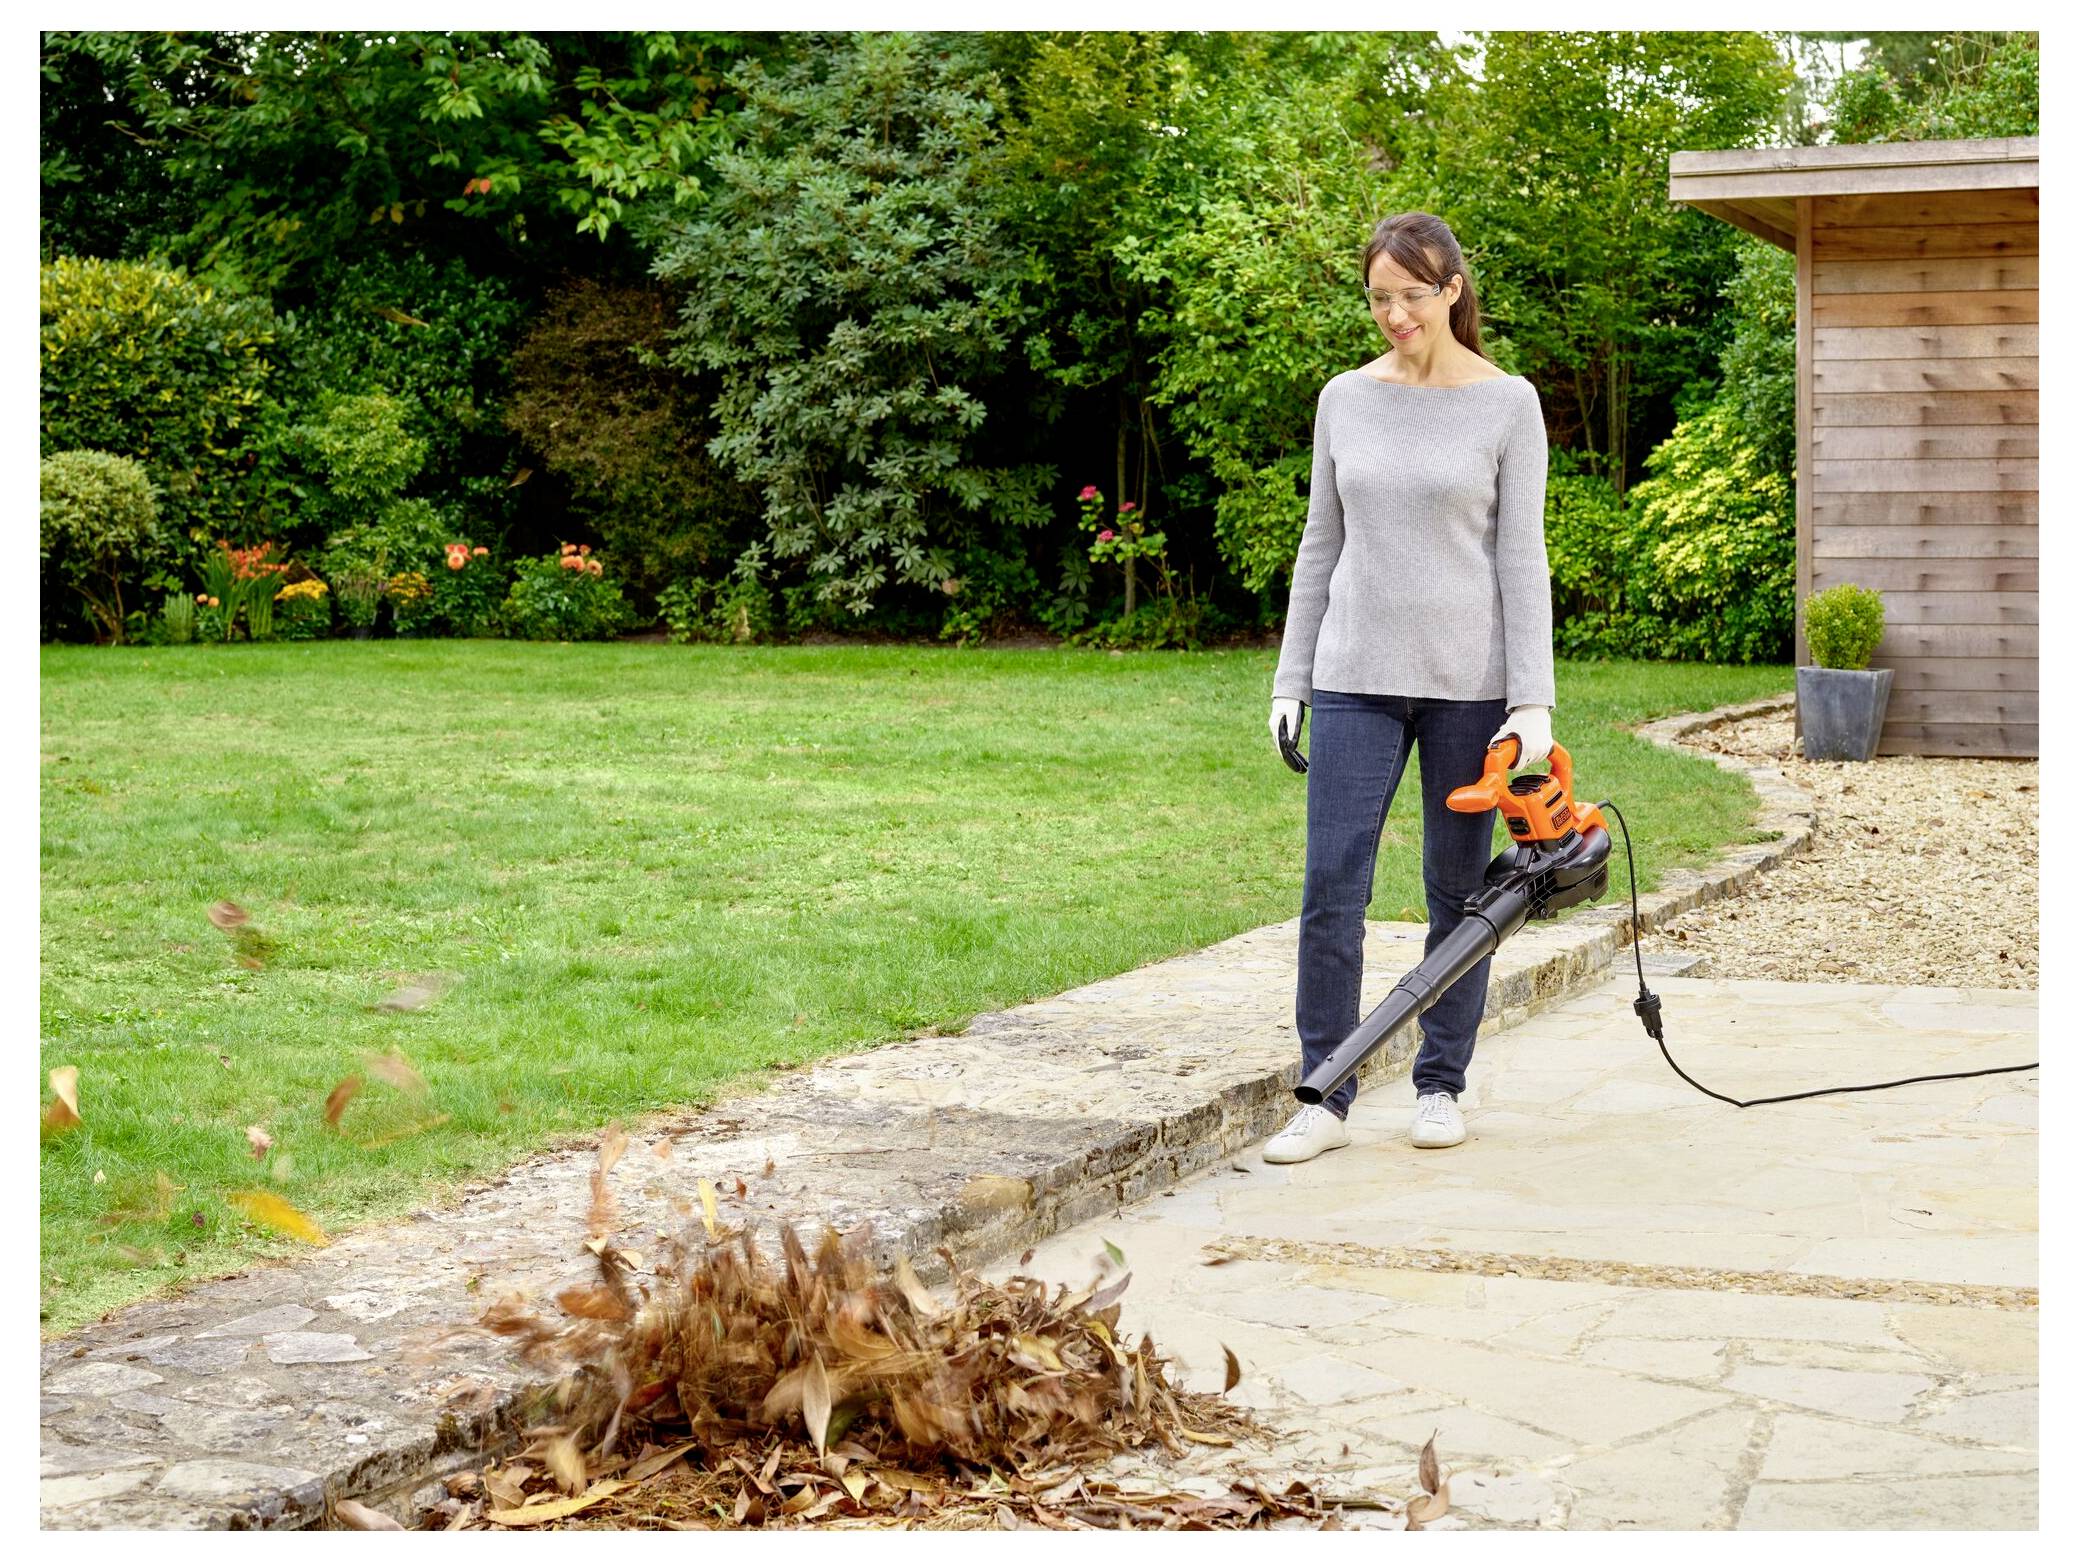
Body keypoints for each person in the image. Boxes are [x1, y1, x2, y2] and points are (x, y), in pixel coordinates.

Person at [1262, 211, 1556, 1165]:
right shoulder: (1342, 399)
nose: (1393, 315)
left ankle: (1440, 1082)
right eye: (1379, 297)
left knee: (1457, 892)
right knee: (1330, 887)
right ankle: (1324, 1090)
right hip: (1353, 676)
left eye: (1410, 296)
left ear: (1453, 291)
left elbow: (1522, 561)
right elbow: (1321, 544)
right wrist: (1290, 676)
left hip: (1469, 688)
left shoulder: (1508, 402)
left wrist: (1532, 700)